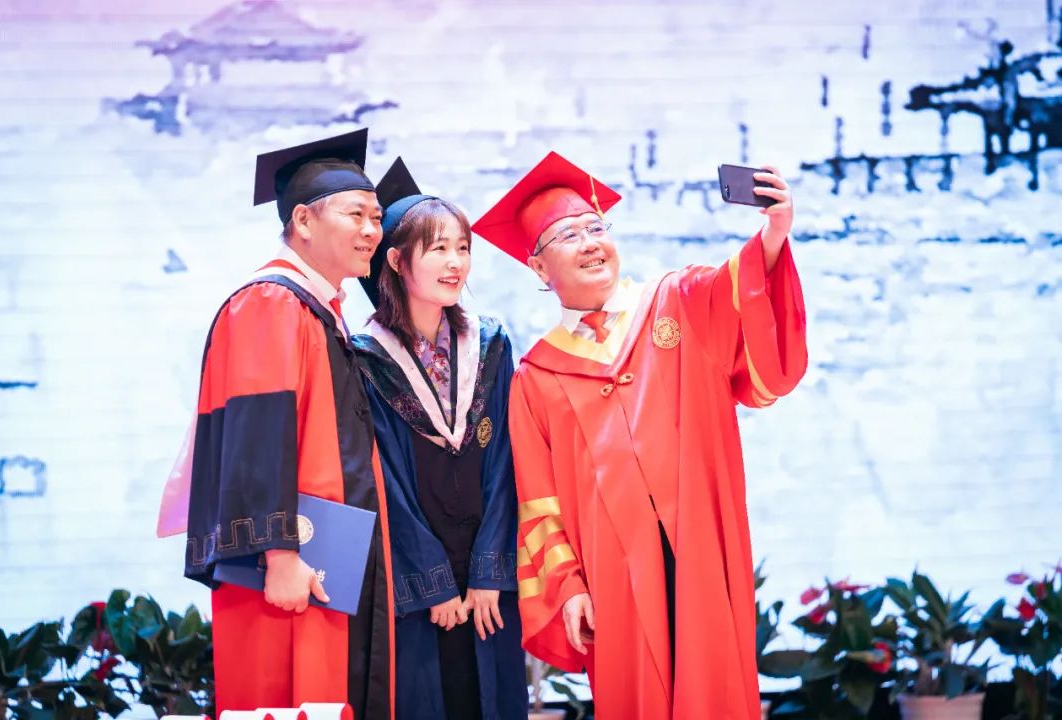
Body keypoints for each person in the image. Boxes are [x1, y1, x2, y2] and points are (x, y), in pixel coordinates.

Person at [471, 151, 808, 719]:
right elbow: (539, 502)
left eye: (596, 228)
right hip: (615, 581)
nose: (589, 243)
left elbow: (742, 288)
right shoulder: (537, 377)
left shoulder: (677, 302)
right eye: (568, 235)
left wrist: (773, 235)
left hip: (701, 551)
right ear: (539, 269)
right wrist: (568, 586)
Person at [183, 129, 395, 718]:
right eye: (356, 215)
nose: (372, 231)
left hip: (325, 556)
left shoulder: (318, 309)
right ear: (303, 220)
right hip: (287, 564)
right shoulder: (270, 303)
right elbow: (257, 430)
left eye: (377, 217)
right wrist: (277, 554)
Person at [351, 158, 527, 720]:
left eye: (463, 247)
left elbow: (508, 461)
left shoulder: (491, 345)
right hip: (416, 585)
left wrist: (490, 572)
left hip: (486, 581)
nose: (456, 262)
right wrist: (433, 583)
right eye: (439, 248)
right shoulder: (363, 360)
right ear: (397, 260)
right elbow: (382, 481)